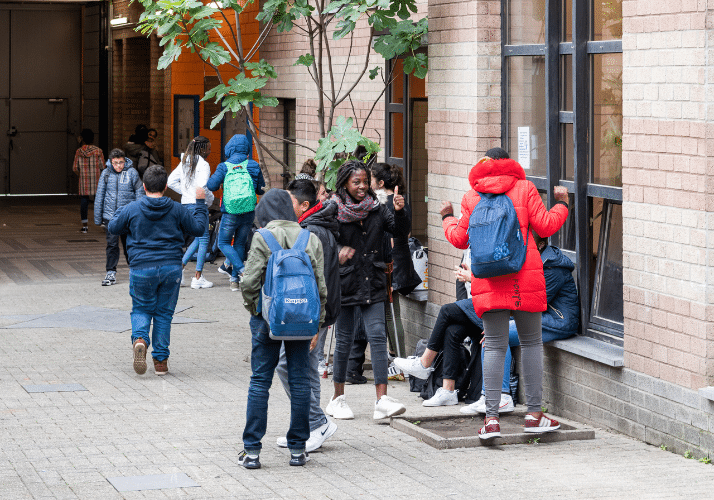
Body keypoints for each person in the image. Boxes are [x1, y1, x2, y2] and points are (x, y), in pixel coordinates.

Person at [441, 147, 569, 439]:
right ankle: (535, 415)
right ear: (510, 164)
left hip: (489, 280)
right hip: (525, 276)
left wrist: (447, 217)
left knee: (496, 345)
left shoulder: (472, 196)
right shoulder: (524, 188)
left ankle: (491, 420)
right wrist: (562, 203)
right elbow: (546, 225)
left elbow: (460, 239)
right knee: (532, 343)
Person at [239, 189, 327, 469]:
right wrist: (317, 324)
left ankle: (252, 451)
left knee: (259, 381)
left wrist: (257, 311)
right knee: (300, 381)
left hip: (268, 320)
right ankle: (298, 450)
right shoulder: (309, 238)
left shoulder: (262, 237)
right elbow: (321, 289)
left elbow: (250, 283)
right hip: (301, 319)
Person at [325, 160, 410, 421]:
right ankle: (337, 398)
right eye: (356, 182)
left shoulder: (377, 207)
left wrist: (399, 212)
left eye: (365, 181)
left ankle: (381, 400)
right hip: (347, 282)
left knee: (377, 337)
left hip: (372, 280)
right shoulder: (333, 209)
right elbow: (322, 238)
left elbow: (399, 231)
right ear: (344, 184)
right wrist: (337, 251)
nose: (362, 186)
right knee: (345, 341)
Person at [460, 231, 580, 414]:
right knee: (493, 336)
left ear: (540, 246)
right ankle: (488, 397)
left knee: (499, 337)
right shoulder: (535, 263)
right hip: (541, 316)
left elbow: (533, 302)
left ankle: (502, 397)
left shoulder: (552, 268)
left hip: (559, 321)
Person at [107, 166, 207, 376]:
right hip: (171, 267)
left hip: (141, 268)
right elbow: (198, 229)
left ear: (144, 186)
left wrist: (121, 208)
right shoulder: (177, 209)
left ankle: (141, 339)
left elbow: (113, 227)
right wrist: (200, 203)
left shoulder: (132, 208)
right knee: (163, 314)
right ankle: (161, 362)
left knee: (141, 309)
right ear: (165, 187)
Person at [274, 179, 341, 452]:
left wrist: (316, 322)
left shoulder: (315, 232)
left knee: (288, 365)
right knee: (305, 366)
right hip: (310, 311)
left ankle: (316, 422)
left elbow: (319, 280)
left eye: (289, 202)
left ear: (303, 205)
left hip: (313, 313)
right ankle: (309, 426)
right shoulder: (308, 228)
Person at [206, 134, 265, 291]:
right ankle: (234, 281)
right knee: (239, 243)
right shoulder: (253, 166)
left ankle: (242, 270)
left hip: (230, 212)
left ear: (230, 148)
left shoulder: (224, 166)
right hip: (248, 211)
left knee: (223, 243)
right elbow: (260, 189)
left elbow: (211, 185)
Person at [167, 136, 215, 289]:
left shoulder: (184, 163)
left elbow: (170, 182)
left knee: (198, 238)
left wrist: (186, 193)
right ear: (202, 150)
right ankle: (198, 277)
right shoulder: (204, 165)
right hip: (199, 204)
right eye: (208, 148)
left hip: (186, 205)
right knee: (204, 239)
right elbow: (202, 187)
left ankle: (180, 269)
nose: (210, 150)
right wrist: (210, 200)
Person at [94, 148, 144, 286]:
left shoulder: (132, 173)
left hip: (128, 217)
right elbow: (100, 196)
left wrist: (139, 215)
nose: (118, 166)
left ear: (125, 161)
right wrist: (98, 218)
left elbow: (140, 193)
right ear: (111, 162)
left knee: (130, 244)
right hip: (110, 217)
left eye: (121, 162)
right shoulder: (105, 174)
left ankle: (134, 270)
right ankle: (110, 272)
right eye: (115, 163)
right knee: (111, 245)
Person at [72, 129, 104, 233]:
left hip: (84, 180)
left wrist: (81, 175)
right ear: (93, 138)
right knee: (99, 201)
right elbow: (102, 166)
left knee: (84, 201)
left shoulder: (78, 151)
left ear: (82, 139)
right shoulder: (98, 151)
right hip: (97, 179)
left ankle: (85, 227)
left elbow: (75, 168)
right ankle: (103, 222)